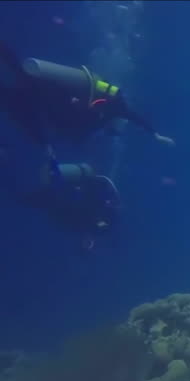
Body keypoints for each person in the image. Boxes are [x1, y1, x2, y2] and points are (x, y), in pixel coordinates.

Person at [0, 39, 173, 165]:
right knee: (18, 83)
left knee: (18, 80)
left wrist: (45, 145)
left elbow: (39, 123)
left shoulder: (107, 113)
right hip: (47, 99)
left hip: (44, 100)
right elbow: (132, 115)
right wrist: (155, 134)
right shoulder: (112, 108)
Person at [13, 160, 122, 251]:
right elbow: (81, 210)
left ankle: (17, 191)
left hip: (61, 199)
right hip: (63, 198)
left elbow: (75, 216)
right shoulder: (100, 217)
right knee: (33, 198)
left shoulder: (97, 221)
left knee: (30, 198)